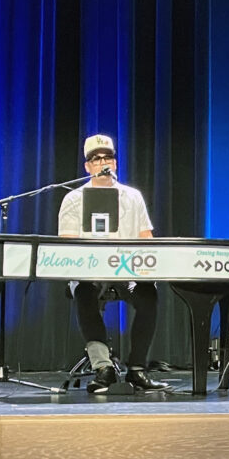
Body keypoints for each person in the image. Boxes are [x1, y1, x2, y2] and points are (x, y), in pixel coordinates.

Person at [58, 134, 168, 393]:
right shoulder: (74, 199)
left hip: (125, 273)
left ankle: (137, 370)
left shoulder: (133, 196)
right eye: (95, 159)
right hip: (90, 273)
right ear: (87, 167)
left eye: (107, 157)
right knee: (84, 290)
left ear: (115, 163)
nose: (102, 162)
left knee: (147, 293)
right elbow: (68, 244)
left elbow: (146, 237)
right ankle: (103, 368)